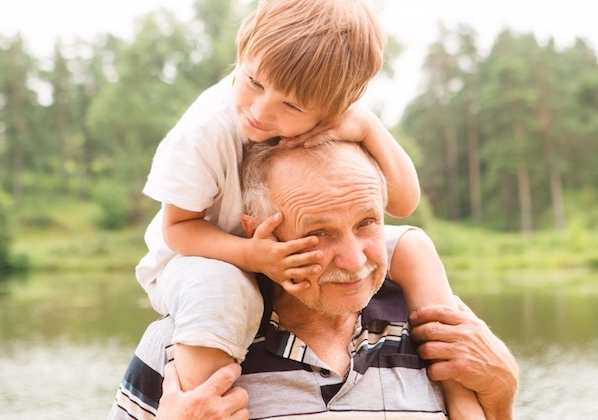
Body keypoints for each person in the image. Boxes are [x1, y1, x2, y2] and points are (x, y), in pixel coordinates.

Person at [135, 0, 479, 410]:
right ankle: (203, 404)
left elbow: (403, 202)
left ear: (333, 106)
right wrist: (252, 255)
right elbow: (178, 230)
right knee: (221, 290)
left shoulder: (332, 105)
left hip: (287, 245)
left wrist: (368, 127)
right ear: (242, 52)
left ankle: (460, 396)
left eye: (292, 106)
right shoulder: (204, 132)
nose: (260, 111)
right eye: (254, 81)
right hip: (201, 255)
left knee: (414, 247)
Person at [111, 141, 519, 419]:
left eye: (366, 223)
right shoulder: (187, 346)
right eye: (317, 233)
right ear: (259, 234)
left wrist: (502, 398)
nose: (355, 259)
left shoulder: (437, 329)